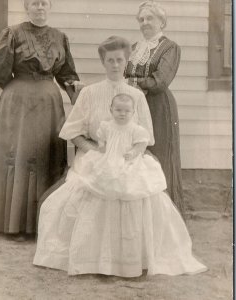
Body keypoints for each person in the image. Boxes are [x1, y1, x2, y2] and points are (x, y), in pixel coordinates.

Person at [33, 36, 207, 277]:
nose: (115, 65)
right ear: (103, 62)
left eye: (120, 60)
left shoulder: (136, 95)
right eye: (110, 60)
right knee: (90, 184)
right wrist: (94, 151)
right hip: (95, 152)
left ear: (126, 63)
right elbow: (73, 132)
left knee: (136, 185)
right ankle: (92, 257)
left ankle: (132, 257)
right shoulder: (90, 93)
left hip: (127, 155)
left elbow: (146, 137)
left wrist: (131, 155)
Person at [0, 0, 82, 237]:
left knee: (45, 152)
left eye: (44, 3)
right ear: (27, 7)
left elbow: (66, 73)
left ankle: (43, 223)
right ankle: (11, 223)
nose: (40, 8)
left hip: (49, 102)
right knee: (19, 153)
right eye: (34, 3)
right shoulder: (13, 34)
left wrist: (75, 91)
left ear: (50, 6)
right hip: (19, 102)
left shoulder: (59, 37)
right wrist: (18, 88)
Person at [124, 1, 184, 215]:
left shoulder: (170, 48)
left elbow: (160, 81)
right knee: (137, 155)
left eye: (150, 18)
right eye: (141, 19)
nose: (145, 23)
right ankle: (140, 215)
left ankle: (164, 216)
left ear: (162, 22)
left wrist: (131, 83)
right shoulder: (133, 48)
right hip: (134, 107)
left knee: (158, 156)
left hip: (158, 107)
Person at [75, 93, 167, 200]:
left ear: (133, 112)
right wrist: (102, 145)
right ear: (111, 110)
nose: (122, 114)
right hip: (109, 156)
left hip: (127, 158)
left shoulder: (135, 129)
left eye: (127, 111)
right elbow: (102, 138)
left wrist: (133, 152)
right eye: (118, 110)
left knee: (127, 178)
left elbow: (141, 144)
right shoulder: (107, 126)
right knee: (102, 174)